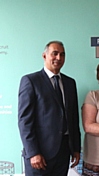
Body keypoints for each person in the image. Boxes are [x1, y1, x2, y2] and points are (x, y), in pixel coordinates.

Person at [18, 41, 81, 176]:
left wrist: (76, 148)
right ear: (44, 56)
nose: (59, 58)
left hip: (63, 153)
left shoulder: (70, 83)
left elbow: (73, 118)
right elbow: (25, 121)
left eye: (62, 55)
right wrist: (33, 152)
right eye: (55, 54)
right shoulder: (30, 81)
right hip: (39, 154)